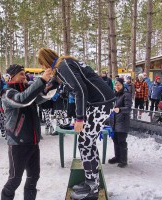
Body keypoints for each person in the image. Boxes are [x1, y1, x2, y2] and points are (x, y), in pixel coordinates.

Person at [37, 48, 115, 200]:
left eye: (42, 64)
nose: (43, 68)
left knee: (85, 142)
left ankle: (92, 188)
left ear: (46, 61)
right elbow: (66, 84)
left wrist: (80, 118)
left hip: (100, 103)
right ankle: (92, 182)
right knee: (88, 142)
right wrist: (47, 86)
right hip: (101, 102)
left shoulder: (63, 66)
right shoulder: (63, 65)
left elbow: (80, 90)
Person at [0, 64, 52, 200]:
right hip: (17, 143)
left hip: (33, 142)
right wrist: (41, 80)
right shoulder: (7, 93)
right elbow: (22, 100)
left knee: (33, 177)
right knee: (14, 180)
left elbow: (43, 97)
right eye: (21, 74)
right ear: (12, 76)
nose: (25, 76)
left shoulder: (28, 89)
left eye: (25, 74)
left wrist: (55, 81)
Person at [108, 78, 132, 168]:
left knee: (122, 141)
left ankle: (123, 160)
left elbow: (128, 108)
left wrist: (120, 109)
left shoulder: (126, 94)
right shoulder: (114, 95)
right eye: (115, 85)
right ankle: (117, 157)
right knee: (115, 140)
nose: (117, 87)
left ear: (122, 85)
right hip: (114, 121)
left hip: (122, 121)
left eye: (118, 85)